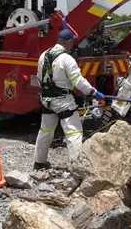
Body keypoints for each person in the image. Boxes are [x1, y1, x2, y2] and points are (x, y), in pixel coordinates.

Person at [33, 29, 104, 170]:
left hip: (47, 100)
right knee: (74, 132)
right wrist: (93, 92)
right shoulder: (67, 59)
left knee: (46, 131)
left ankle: (39, 162)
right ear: (69, 41)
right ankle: (77, 166)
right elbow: (78, 81)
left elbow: (39, 78)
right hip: (63, 101)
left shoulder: (43, 55)